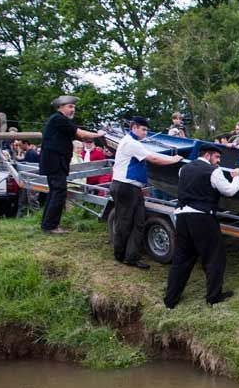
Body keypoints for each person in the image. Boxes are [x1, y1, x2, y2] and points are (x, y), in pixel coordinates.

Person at [164, 144, 239, 308]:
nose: (218, 161)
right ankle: (213, 297)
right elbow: (229, 191)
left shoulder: (183, 169)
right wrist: (236, 177)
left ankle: (170, 299)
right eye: (217, 157)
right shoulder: (214, 171)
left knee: (181, 259)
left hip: (182, 216)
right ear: (208, 155)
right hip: (202, 217)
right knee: (214, 257)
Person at [111, 116, 183, 269]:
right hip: (126, 187)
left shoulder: (132, 142)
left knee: (138, 222)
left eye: (146, 130)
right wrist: (174, 160)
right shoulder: (131, 143)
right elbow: (153, 159)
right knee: (125, 222)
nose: (145, 133)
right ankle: (121, 255)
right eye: (143, 129)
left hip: (130, 188)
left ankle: (131, 256)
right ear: (134, 127)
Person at [39, 95, 104, 234]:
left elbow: (78, 135)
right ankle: (51, 226)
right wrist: (98, 135)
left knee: (55, 192)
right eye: (70, 106)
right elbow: (81, 134)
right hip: (55, 162)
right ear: (60, 107)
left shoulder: (60, 120)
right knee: (59, 191)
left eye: (74, 107)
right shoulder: (59, 119)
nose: (73, 109)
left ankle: (47, 224)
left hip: (55, 162)